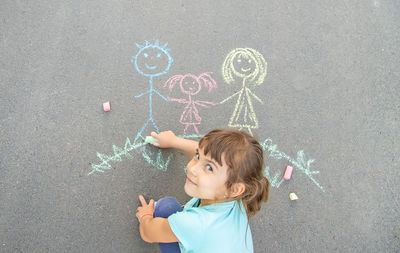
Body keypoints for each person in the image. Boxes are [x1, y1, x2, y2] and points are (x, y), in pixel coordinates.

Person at [136, 129, 270, 253]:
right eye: (197, 156)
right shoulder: (241, 197)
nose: (192, 169)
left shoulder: (193, 224)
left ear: (234, 189)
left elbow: (148, 233)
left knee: (166, 207)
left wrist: (145, 216)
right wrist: (174, 141)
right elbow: (206, 153)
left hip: (195, 230)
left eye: (209, 168)